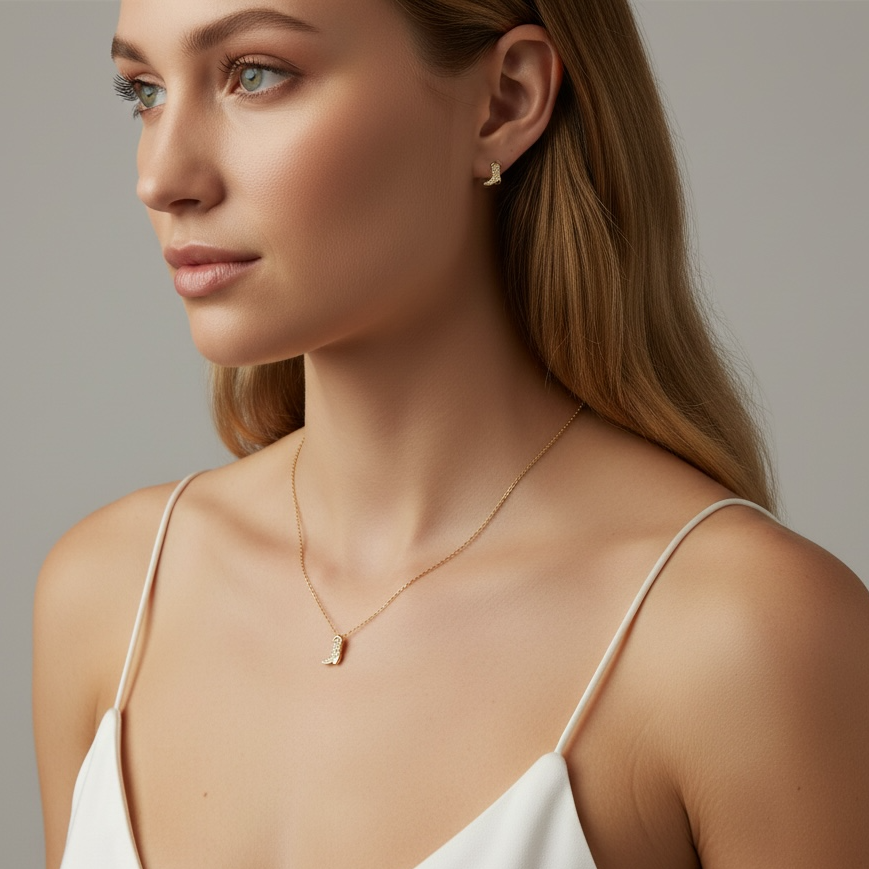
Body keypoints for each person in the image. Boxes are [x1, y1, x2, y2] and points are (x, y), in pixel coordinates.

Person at [33, 0, 869, 866]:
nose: (162, 177)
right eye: (144, 90)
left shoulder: (739, 635)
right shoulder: (109, 597)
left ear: (505, 101)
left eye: (256, 75)